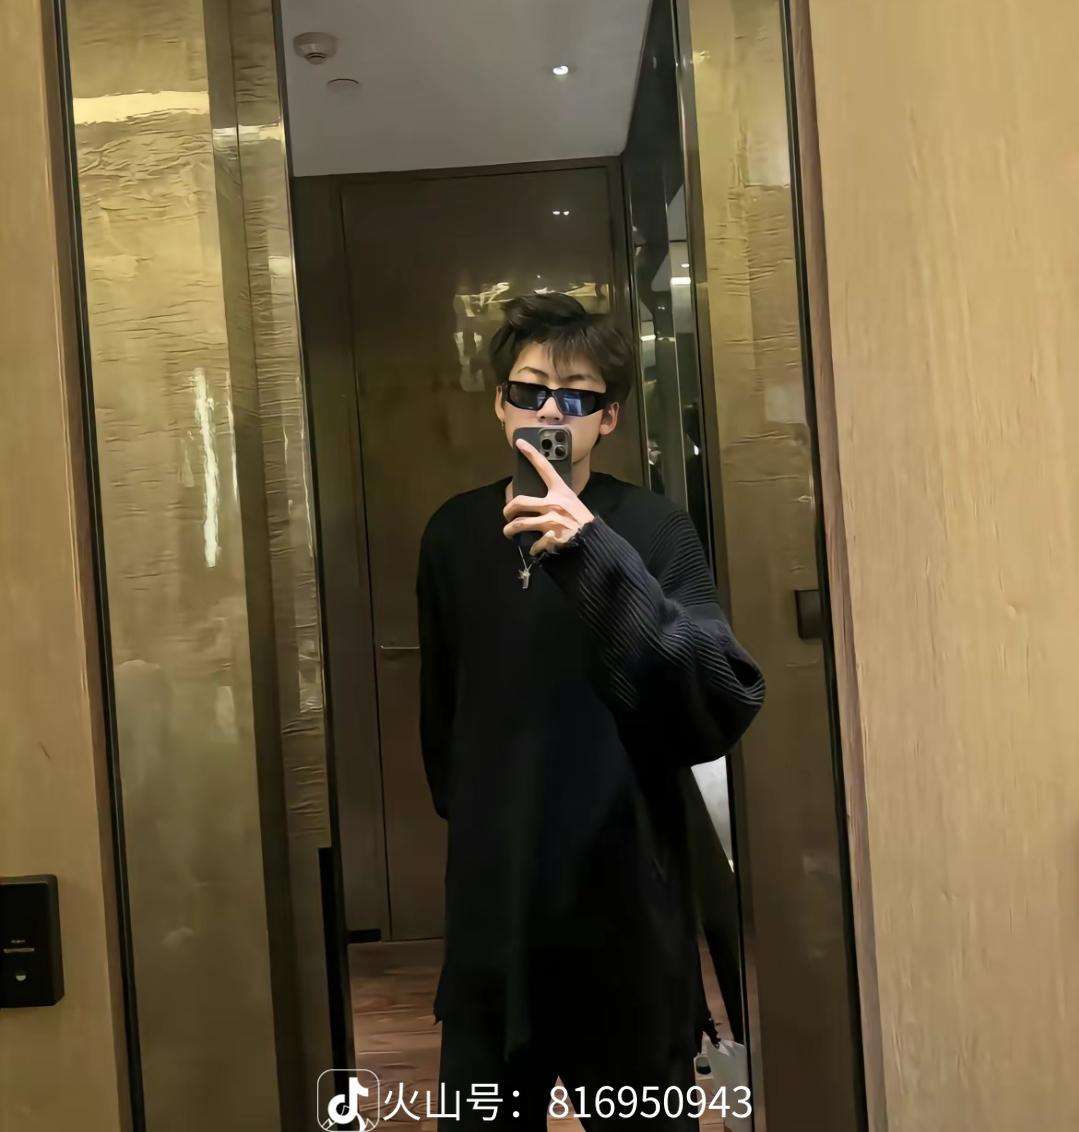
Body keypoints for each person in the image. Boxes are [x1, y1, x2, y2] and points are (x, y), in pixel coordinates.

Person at [415, 292, 765, 1129]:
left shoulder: (651, 527)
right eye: (529, 390)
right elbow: (442, 715)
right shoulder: (453, 534)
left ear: (607, 418)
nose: (548, 412)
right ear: (500, 404)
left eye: (575, 397)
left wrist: (594, 551)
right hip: (496, 910)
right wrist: (483, 821)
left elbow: (719, 696)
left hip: (625, 907)